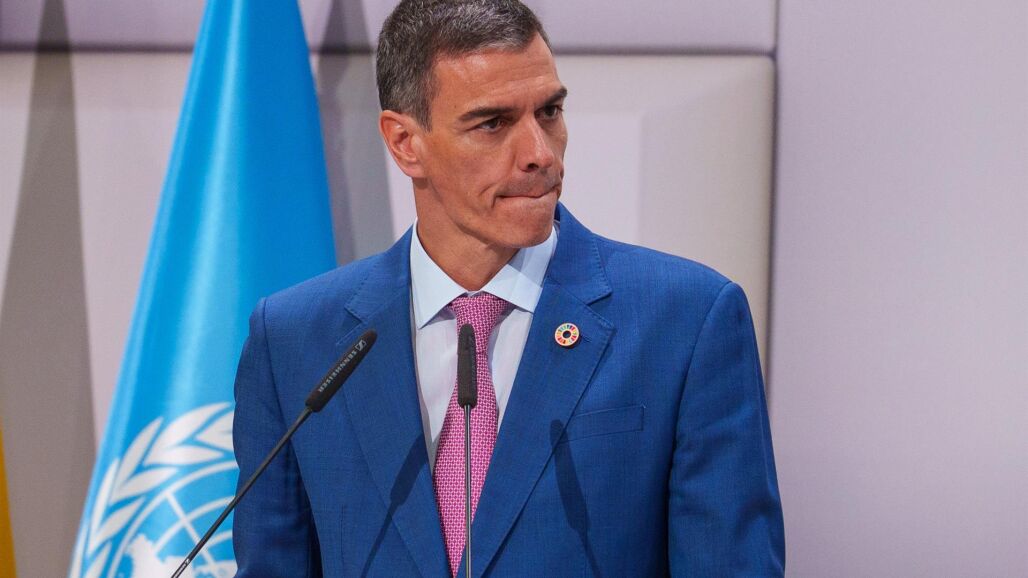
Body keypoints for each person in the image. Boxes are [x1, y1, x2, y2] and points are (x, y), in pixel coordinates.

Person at [231, 0, 785, 575]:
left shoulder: (686, 322)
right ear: (404, 142)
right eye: (492, 123)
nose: (539, 154)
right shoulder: (294, 340)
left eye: (549, 112)